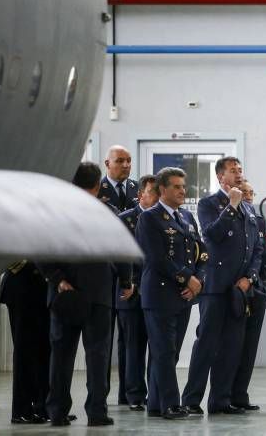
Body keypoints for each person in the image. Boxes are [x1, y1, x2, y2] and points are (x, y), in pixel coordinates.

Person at [38, 162, 117, 427]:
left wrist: (58, 279)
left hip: (65, 295)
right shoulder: (107, 213)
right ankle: (97, 412)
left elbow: (40, 249)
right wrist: (127, 281)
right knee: (98, 356)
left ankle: (57, 411)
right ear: (98, 185)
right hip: (98, 295)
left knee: (61, 355)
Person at [182, 157, 263, 415]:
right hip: (215, 288)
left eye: (240, 169)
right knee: (206, 344)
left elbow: (257, 248)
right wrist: (232, 205)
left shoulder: (249, 210)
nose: (238, 174)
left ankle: (220, 401)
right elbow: (212, 235)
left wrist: (249, 278)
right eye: (232, 171)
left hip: (239, 290)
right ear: (220, 177)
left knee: (231, 347)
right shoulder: (209, 204)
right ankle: (191, 400)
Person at [136, 167, 206, 420]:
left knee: (171, 352)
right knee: (163, 351)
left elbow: (201, 251)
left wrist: (198, 279)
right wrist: (187, 277)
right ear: (162, 189)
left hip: (184, 295)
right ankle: (170, 404)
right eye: (176, 186)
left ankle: (156, 403)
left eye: (183, 186)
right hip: (159, 294)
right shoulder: (150, 218)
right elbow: (156, 258)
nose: (182, 191)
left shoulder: (187, 216)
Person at [97, 144, 138, 406]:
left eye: (129, 161)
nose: (125, 165)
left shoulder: (136, 189)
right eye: (120, 161)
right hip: (104, 273)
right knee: (102, 339)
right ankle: (100, 395)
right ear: (107, 163)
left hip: (128, 274)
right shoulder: (96, 190)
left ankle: (127, 393)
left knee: (128, 337)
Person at [116, 174, 159, 411]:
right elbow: (121, 255)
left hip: (156, 294)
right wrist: (131, 282)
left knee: (158, 346)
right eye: (153, 192)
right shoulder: (126, 219)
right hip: (131, 292)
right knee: (133, 347)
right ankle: (134, 395)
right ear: (140, 194)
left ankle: (155, 391)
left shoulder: (162, 220)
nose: (156, 197)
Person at [230, 179, 266, 411]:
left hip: (256, 289)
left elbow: (262, 256)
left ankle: (240, 395)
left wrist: (262, 283)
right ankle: (226, 395)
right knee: (233, 345)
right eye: (242, 192)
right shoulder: (232, 217)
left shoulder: (258, 221)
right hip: (235, 289)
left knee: (249, 348)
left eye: (250, 193)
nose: (246, 196)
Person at [0, 259, 50, 424]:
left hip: (41, 289)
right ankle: (21, 410)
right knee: (24, 351)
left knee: (44, 350)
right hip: (20, 287)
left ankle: (44, 408)